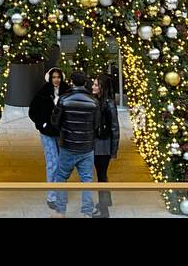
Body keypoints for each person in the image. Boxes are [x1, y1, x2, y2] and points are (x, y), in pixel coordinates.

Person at [48, 70, 101, 217]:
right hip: (86, 147)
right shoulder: (94, 102)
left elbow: (55, 122)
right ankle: (86, 213)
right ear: (85, 83)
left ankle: (60, 211)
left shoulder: (64, 99)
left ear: (72, 82)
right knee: (87, 181)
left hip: (68, 146)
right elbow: (96, 125)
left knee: (61, 177)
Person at [29, 66, 64, 212]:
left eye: (58, 77)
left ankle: (60, 192)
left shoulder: (66, 91)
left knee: (62, 163)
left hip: (61, 133)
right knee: (52, 162)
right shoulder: (42, 93)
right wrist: (42, 124)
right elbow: (33, 111)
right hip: (47, 133)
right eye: (54, 77)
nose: (56, 80)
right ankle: (52, 196)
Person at [91, 74, 120, 218]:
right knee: (101, 174)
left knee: (101, 176)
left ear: (102, 87)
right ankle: (105, 203)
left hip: (103, 146)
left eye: (96, 85)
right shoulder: (97, 100)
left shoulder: (108, 103)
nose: (93, 87)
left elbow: (115, 127)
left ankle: (104, 210)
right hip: (98, 144)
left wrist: (113, 151)